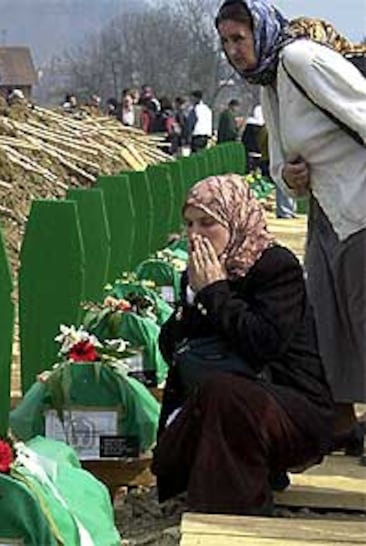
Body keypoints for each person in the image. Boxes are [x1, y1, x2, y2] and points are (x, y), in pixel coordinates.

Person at [215, 0, 366, 454]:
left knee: (363, 313)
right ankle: (340, 421)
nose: (233, 51)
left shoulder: (301, 60)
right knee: (322, 314)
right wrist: (291, 177)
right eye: (225, 42)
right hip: (325, 213)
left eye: (239, 38)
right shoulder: (270, 83)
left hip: (360, 204)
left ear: (259, 31)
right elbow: (281, 166)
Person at [151, 174, 334, 515]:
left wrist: (215, 293)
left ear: (235, 220)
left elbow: (264, 343)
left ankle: (233, 512)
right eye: (189, 224)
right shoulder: (198, 273)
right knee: (171, 453)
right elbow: (171, 349)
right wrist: (192, 300)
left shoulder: (276, 268)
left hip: (292, 407)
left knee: (224, 394)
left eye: (207, 223)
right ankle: (250, 471)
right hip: (232, 401)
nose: (195, 235)